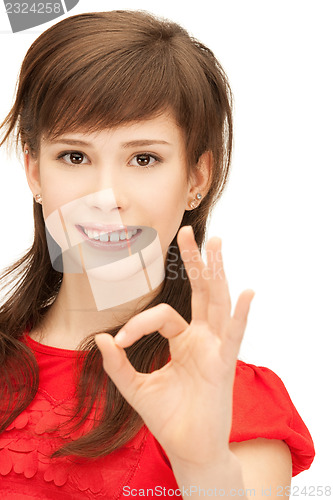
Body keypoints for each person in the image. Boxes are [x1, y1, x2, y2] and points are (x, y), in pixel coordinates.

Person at [0, 10, 315, 499]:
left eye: (144, 158)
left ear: (196, 178)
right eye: (74, 156)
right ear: (35, 172)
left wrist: (203, 464)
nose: (106, 195)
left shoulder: (232, 400)